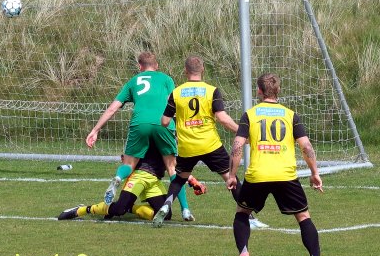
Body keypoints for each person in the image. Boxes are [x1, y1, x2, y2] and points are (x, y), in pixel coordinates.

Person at [226, 73, 328, 256]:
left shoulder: (250, 115)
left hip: (258, 175)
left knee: (242, 213)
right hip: (285, 176)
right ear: (278, 90)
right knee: (303, 217)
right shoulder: (290, 115)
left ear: (259, 91)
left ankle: (244, 253)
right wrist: (314, 173)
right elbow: (306, 147)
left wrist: (232, 174)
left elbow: (237, 145)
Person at [152, 56, 268, 229]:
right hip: (210, 144)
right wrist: (243, 132)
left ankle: (166, 205)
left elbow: (164, 121)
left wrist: (179, 116)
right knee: (231, 178)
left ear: (185, 71)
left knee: (180, 178)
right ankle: (249, 218)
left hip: (187, 146)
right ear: (203, 70)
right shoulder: (211, 91)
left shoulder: (176, 93)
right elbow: (223, 119)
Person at [85, 51, 194, 220]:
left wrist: (95, 130)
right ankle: (185, 209)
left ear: (140, 66)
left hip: (140, 123)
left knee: (129, 164)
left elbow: (113, 108)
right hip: (163, 123)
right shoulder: (166, 79)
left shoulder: (133, 81)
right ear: (156, 66)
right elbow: (174, 104)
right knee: (173, 168)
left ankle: (118, 177)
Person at [58, 141, 205, 222]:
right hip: (139, 176)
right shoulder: (151, 130)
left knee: (165, 215)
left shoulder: (169, 134)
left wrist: (193, 180)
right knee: (119, 210)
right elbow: (129, 156)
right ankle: (83, 209)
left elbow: (174, 166)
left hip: (155, 180)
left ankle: (131, 208)